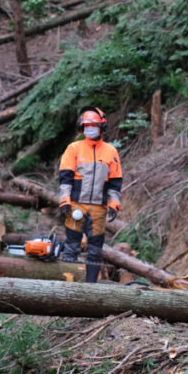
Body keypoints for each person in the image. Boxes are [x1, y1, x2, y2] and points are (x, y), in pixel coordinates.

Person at [57, 106, 123, 283]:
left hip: (99, 208)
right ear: (82, 127)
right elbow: (65, 178)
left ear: (101, 127)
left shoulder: (110, 151)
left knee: (95, 249)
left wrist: (114, 203)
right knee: (71, 245)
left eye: (93, 125)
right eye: (86, 125)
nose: (90, 128)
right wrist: (64, 200)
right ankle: (67, 285)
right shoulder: (74, 148)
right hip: (76, 205)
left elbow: (115, 182)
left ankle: (91, 287)